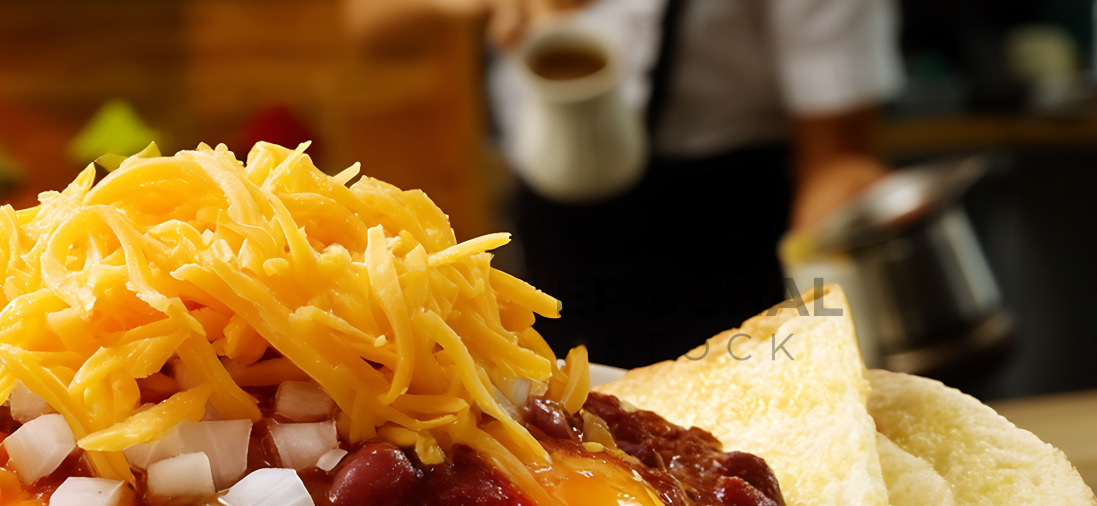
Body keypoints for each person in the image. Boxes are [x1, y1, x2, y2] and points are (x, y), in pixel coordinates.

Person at [349, 0, 901, 367]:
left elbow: (837, 155)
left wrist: (832, 266)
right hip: (558, 237)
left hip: (731, 228)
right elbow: (368, 24)